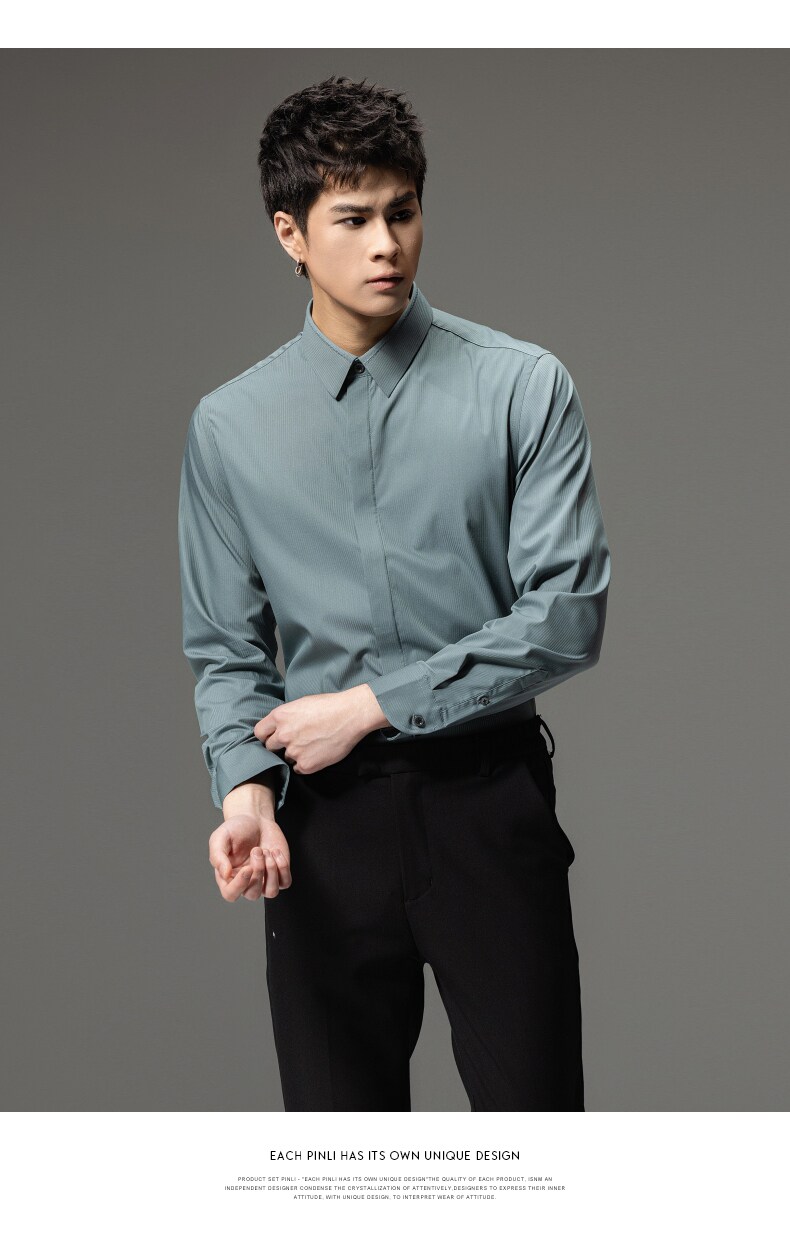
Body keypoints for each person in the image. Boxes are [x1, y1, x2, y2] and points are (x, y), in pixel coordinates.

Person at [178, 74, 611, 1112]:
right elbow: (226, 652)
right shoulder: (229, 428)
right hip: (320, 830)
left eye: (403, 212)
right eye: (354, 219)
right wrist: (245, 794)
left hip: (487, 803)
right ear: (290, 233)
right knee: (339, 1161)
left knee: (538, 1150)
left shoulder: (521, 386)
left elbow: (565, 615)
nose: (387, 244)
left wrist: (370, 706)